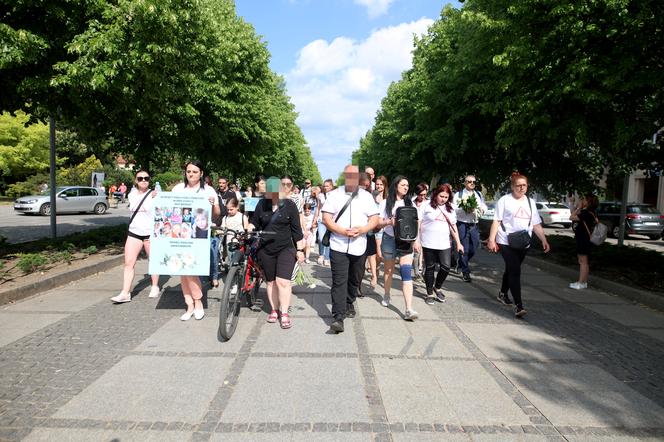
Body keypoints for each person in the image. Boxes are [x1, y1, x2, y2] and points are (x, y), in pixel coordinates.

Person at [323, 165, 379, 333]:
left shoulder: (367, 197)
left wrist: (362, 230)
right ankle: (338, 317)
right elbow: (326, 218)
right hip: (338, 244)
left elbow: (374, 218)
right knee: (339, 280)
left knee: (355, 278)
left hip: (359, 244)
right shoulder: (334, 195)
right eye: (349, 175)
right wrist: (342, 231)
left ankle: (349, 302)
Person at [487, 172, 550, 318]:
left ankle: (502, 294)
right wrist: (491, 239)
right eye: (518, 185)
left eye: (524, 185)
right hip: (505, 241)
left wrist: (543, 240)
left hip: (523, 242)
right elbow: (496, 221)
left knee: (511, 270)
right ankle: (519, 305)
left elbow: (536, 223)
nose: (521, 188)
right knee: (515, 271)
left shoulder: (530, 202)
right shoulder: (504, 200)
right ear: (512, 186)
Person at [249, 176, 305, 329]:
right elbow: (254, 222)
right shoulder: (262, 204)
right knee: (271, 282)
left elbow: (296, 231)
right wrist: (249, 227)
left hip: (285, 248)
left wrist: (300, 250)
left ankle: (284, 312)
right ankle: (274, 309)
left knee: (283, 282)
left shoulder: (290, 205)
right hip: (266, 249)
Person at [171, 160, 220, 321]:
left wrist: (213, 205)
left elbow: (216, 215)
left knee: (191, 270)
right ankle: (189, 304)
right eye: (188, 171)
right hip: (180, 234)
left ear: (201, 173)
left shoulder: (208, 190)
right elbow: (169, 209)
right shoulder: (178, 189)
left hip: (199, 235)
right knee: (182, 271)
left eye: (194, 171)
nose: (191, 174)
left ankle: (197, 302)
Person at [111, 170, 161, 303]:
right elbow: (135, 205)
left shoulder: (156, 194)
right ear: (136, 180)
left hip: (150, 232)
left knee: (153, 260)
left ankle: (155, 286)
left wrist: (157, 196)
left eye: (146, 178)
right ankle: (125, 292)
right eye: (140, 178)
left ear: (149, 180)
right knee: (129, 263)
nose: (143, 180)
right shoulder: (131, 194)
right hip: (134, 232)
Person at [377, 175, 420, 321]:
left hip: (406, 241)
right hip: (389, 239)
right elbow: (378, 222)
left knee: (406, 272)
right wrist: (389, 222)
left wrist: (417, 240)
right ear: (396, 186)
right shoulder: (385, 203)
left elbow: (416, 222)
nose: (406, 188)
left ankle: (409, 308)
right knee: (388, 270)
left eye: (407, 185)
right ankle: (387, 294)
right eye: (403, 185)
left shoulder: (411, 203)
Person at [419, 184, 464, 304]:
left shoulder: (451, 208)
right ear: (436, 194)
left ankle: (437, 287)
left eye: (446, 197)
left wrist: (458, 243)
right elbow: (419, 222)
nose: (443, 199)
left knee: (446, 266)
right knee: (430, 267)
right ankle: (429, 293)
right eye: (441, 196)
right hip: (428, 242)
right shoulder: (426, 205)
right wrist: (417, 240)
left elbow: (453, 226)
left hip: (444, 243)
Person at [455, 174, 488, 282]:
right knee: (464, 248)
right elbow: (453, 208)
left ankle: (460, 263)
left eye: (473, 182)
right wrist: (464, 209)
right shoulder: (459, 195)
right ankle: (465, 271)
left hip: (474, 224)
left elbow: (483, 206)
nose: (472, 183)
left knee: (474, 248)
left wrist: (482, 210)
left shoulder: (478, 194)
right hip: (462, 224)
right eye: (469, 181)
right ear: (465, 183)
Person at [569, 193, 599, 289]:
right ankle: (583, 282)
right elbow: (574, 214)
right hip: (584, 239)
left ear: (588, 202)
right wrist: (573, 203)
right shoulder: (590, 212)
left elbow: (571, 217)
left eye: (584, 200)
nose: (582, 201)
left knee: (583, 262)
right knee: (583, 261)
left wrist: (579, 208)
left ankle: (581, 282)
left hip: (584, 239)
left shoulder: (586, 213)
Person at [314, 179, 335, 266]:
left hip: (331, 220)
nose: (325, 187)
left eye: (327, 186)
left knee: (329, 239)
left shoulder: (335, 196)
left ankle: (327, 257)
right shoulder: (321, 196)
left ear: (331, 186)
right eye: (324, 186)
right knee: (321, 238)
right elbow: (318, 208)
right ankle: (321, 255)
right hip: (321, 220)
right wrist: (315, 219)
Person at [412, 183, 429, 279]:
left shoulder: (429, 203)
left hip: (426, 230)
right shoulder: (411, 202)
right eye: (420, 194)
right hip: (415, 229)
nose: (422, 197)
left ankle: (423, 271)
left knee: (426, 253)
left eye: (424, 195)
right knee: (416, 251)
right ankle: (416, 273)